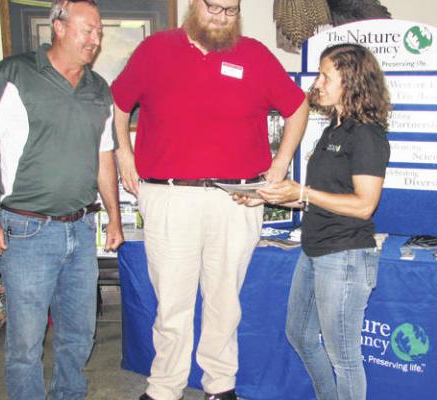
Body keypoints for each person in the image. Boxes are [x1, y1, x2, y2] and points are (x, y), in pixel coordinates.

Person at [110, 0, 309, 399]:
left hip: (235, 199)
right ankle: (165, 385)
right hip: (168, 196)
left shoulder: (254, 54)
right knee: (172, 302)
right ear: (191, 5)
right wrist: (123, 154)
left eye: (230, 10)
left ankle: (220, 385)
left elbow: (298, 105)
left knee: (224, 301)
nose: (221, 16)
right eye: (213, 7)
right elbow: (117, 105)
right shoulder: (154, 51)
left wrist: (281, 162)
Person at [0, 1, 124, 398]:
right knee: (26, 343)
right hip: (26, 230)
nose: (95, 40)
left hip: (81, 227)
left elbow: (104, 156)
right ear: (58, 27)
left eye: (99, 32)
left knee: (78, 334)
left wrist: (115, 220)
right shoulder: (15, 73)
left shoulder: (98, 89)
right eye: (87, 30)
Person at [255, 43, 391, 400]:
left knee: (344, 358)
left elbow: (364, 205)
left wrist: (302, 194)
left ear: (350, 81)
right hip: (314, 251)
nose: (317, 83)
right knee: (299, 334)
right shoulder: (334, 129)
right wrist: (265, 195)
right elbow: (320, 193)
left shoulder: (367, 134)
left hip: (345, 256)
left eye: (325, 76)